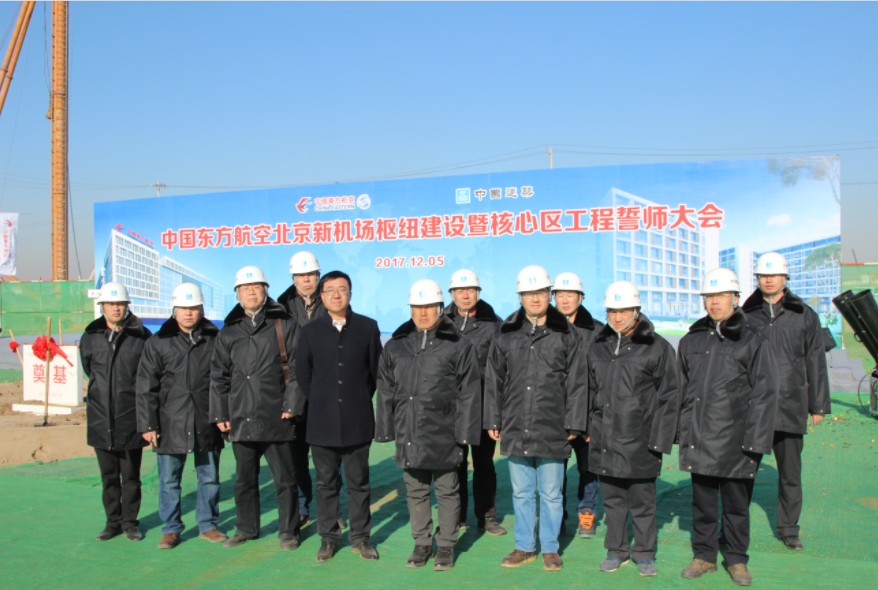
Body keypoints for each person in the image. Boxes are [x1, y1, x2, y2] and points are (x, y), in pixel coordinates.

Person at [678, 268, 778, 586]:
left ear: (735, 298)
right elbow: (681, 390)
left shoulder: (753, 339)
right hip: (700, 437)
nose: (715, 302)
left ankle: (736, 559)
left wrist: (756, 441)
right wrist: (681, 432)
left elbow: (765, 393)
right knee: (703, 504)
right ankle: (704, 555)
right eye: (709, 296)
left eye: (721, 295)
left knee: (736, 507)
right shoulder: (691, 340)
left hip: (738, 440)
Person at [484, 265, 587, 572]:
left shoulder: (567, 334)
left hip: (553, 425)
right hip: (516, 423)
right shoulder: (505, 334)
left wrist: (575, 421)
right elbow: (494, 379)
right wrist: (493, 419)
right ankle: (525, 547)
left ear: (549, 294)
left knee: (552, 493)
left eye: (541, 292)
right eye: (528, 293)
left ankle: (550, 549)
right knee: (521, 492)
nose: (535, 298)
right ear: (520, 296)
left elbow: (578, 381)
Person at [375, 279, 481, 571]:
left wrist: (465, 433)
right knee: (416, 490)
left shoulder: (458, 344)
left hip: (445, 433)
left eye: (429, 307)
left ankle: (446, 545)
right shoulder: (396, 345)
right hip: (409, 430)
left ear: (440, 308)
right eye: (417, 307)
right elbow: (385, 388)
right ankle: (421, 543)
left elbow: (470, 391)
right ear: (410, 308)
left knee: (447, 490)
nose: (423, 313)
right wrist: (385, 428)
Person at [587, 281, 680, 577]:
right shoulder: (597, 346)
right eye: (612, 311)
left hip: (641, 439)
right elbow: (588, 389)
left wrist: (661, 439)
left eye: (624, 310)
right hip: (605, 438)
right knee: (613, 501)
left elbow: (670, 395)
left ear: (637, 311)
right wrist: (588, 427)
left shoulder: (657, 347)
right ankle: (616, 551)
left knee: (642, 502)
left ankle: (644, 553)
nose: (617, 317)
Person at [210, 265, 305, 550]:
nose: (251, 292)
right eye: (245, 288)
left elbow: (299, 369)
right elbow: (218, 376)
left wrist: (292, 404)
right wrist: (220, 413)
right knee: (244, 481)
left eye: (256, 287)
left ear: (265, 290)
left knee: (285, 480)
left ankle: (288, 532)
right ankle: (246, 529)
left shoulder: (284, 324)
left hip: (277, 415)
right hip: (241, 416)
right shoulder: (228, 331)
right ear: (237, 293)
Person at [741, 252, 830, 551]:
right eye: (763, 275)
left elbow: (815, 360)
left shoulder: (804, 314)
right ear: (757, 279)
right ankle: (734, 527)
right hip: (753, 408)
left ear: (785, 277)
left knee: (790, 473)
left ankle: (789, 529)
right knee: (741, 473)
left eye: (773, 275)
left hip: (791, 404)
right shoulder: (745, 314)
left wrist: (818, 404)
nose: (768, 280)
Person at [296, 271, 382, 563]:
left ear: (350, 294)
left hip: (358, 420)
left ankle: (361, 538)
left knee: (359, 483)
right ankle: (329, 538)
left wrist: (356, 400)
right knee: (325, 484)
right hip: (322, 422)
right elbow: (304, 375)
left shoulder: (368, 328)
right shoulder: (309, 331)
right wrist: (324, 401)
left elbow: (374, 374)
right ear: (321, 296)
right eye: (330, 290)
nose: (336, 295)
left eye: (342, 289)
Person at [136, 283, 226, 549]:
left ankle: (208, 525)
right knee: (169, 480)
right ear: (174, 309)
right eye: (184, 308)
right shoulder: (158, 342)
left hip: (206, 418)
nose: (188, 313)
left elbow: (224, 379)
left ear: (201, 309)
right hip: (169, 421)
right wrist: (148, 424)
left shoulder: (214, 339)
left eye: (194, 308)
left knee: (209, 477)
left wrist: (222, 414)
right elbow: (146, 385)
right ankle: (171, 529)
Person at [80, 282, 152, 542]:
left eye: (120, 304)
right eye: (111, 304)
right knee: (108, 477)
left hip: (130, 418)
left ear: (127, 305)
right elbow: (89, 370)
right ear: (103, 306)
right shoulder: (90, 337)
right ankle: (112, 523)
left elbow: (147, 376)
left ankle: (130, 523)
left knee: (131, 477)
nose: (116, 308)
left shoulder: (141, 336)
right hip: (100, 418)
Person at [443, 269, 506, 536]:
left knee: (484, 465)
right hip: (450, 409)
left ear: (478, 292)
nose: (465, 295)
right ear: (452, 294)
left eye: (470, 290)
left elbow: (500, 371)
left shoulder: (494, 324)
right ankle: (455, 518)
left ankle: (486, 516)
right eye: (460, 290)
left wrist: (495, 413)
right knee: (453, 464)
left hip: (482, 407)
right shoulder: (441, 321)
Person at [551, 271, 603, 539]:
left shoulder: (597, 331)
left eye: (570, 294)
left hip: (587, 414)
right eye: (560, 294)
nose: (565, 299)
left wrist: (591, 417)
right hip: (554, 414)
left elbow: (602, 377)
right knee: (554, 472)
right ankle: (556, 517)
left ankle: (587, 514)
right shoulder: (546, 328)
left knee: (588, 468)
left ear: (581, 297)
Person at [277, 251, 325, 527]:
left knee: (327, 455)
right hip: (292, 389)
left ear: (318, 275)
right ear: (293, 278)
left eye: (311, 275)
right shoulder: (281, 307)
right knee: (295, 457)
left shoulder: (331, 300)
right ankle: (303, 506)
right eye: (301, 275)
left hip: (324, 388)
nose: (306, 280)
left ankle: (332, 509)